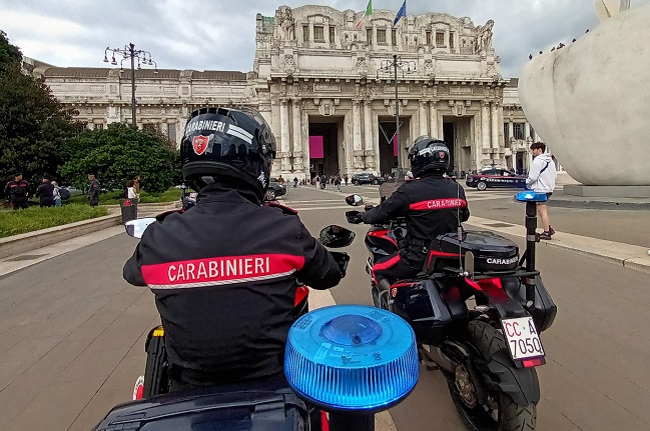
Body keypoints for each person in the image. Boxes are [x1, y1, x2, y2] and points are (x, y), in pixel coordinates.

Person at [122, 106, 343, 391]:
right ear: (257, 162)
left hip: (189, 387)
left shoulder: (160, 234)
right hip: (276, 381)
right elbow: (328, 275)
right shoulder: (283, 227)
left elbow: (132, 273)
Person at [358, 137, 470, 286]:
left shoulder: (409, 190)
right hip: (452, 255)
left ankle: (390, 305)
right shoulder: (456, 188)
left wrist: (363, 216)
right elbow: (464, 216)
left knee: (377, 269)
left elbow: (381, 213)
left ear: (418, 161)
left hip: (418, 258)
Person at [526, 142, 557, 240]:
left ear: (540, 150)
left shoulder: (537, 161)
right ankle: (548, 227)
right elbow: (554, 175)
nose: (533, 152)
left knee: (542, 211)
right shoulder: (550, 161)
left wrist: (527, 182)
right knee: (540, 209)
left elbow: (532, 177)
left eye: (534, 150)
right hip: (549, 188)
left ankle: (547, 232)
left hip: (540, 189)